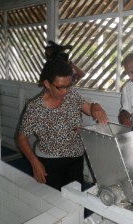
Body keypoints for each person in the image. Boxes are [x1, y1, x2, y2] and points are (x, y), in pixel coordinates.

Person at [17, 59, 108, 191]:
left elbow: (89, 109)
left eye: (68, 85)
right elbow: (21, 138)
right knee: (53, 201)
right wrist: (34, 162)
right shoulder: (35, 107)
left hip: (76, 157)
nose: (65, 91)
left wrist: (96, 106)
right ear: (47, 83)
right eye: (60, 87)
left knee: (75, 198)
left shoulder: (71, 95)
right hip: (50, 161)